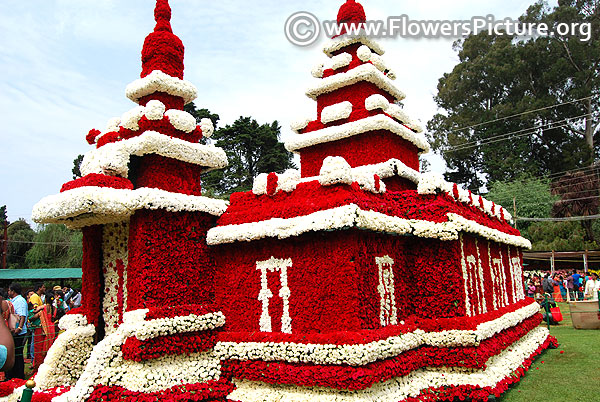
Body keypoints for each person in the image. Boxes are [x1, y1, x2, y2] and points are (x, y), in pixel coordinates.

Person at [6, 283, 27, 379]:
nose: (8, 292)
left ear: (13, 291)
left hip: (18, 332)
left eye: (9, 290)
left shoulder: (20, 301)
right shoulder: (13, 301)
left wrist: (20, 328)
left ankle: (18, 376)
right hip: (14, 331)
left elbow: (22, 315)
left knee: (17, 354)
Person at [31, 292, 56, 369]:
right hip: (51, 329)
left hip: (44, 330)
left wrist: (30, 317)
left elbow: (35, 314)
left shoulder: (43, 308)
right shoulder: (54, 308)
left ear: (45, 299)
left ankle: (38, 366)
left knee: (39, 348)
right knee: (50, 348)